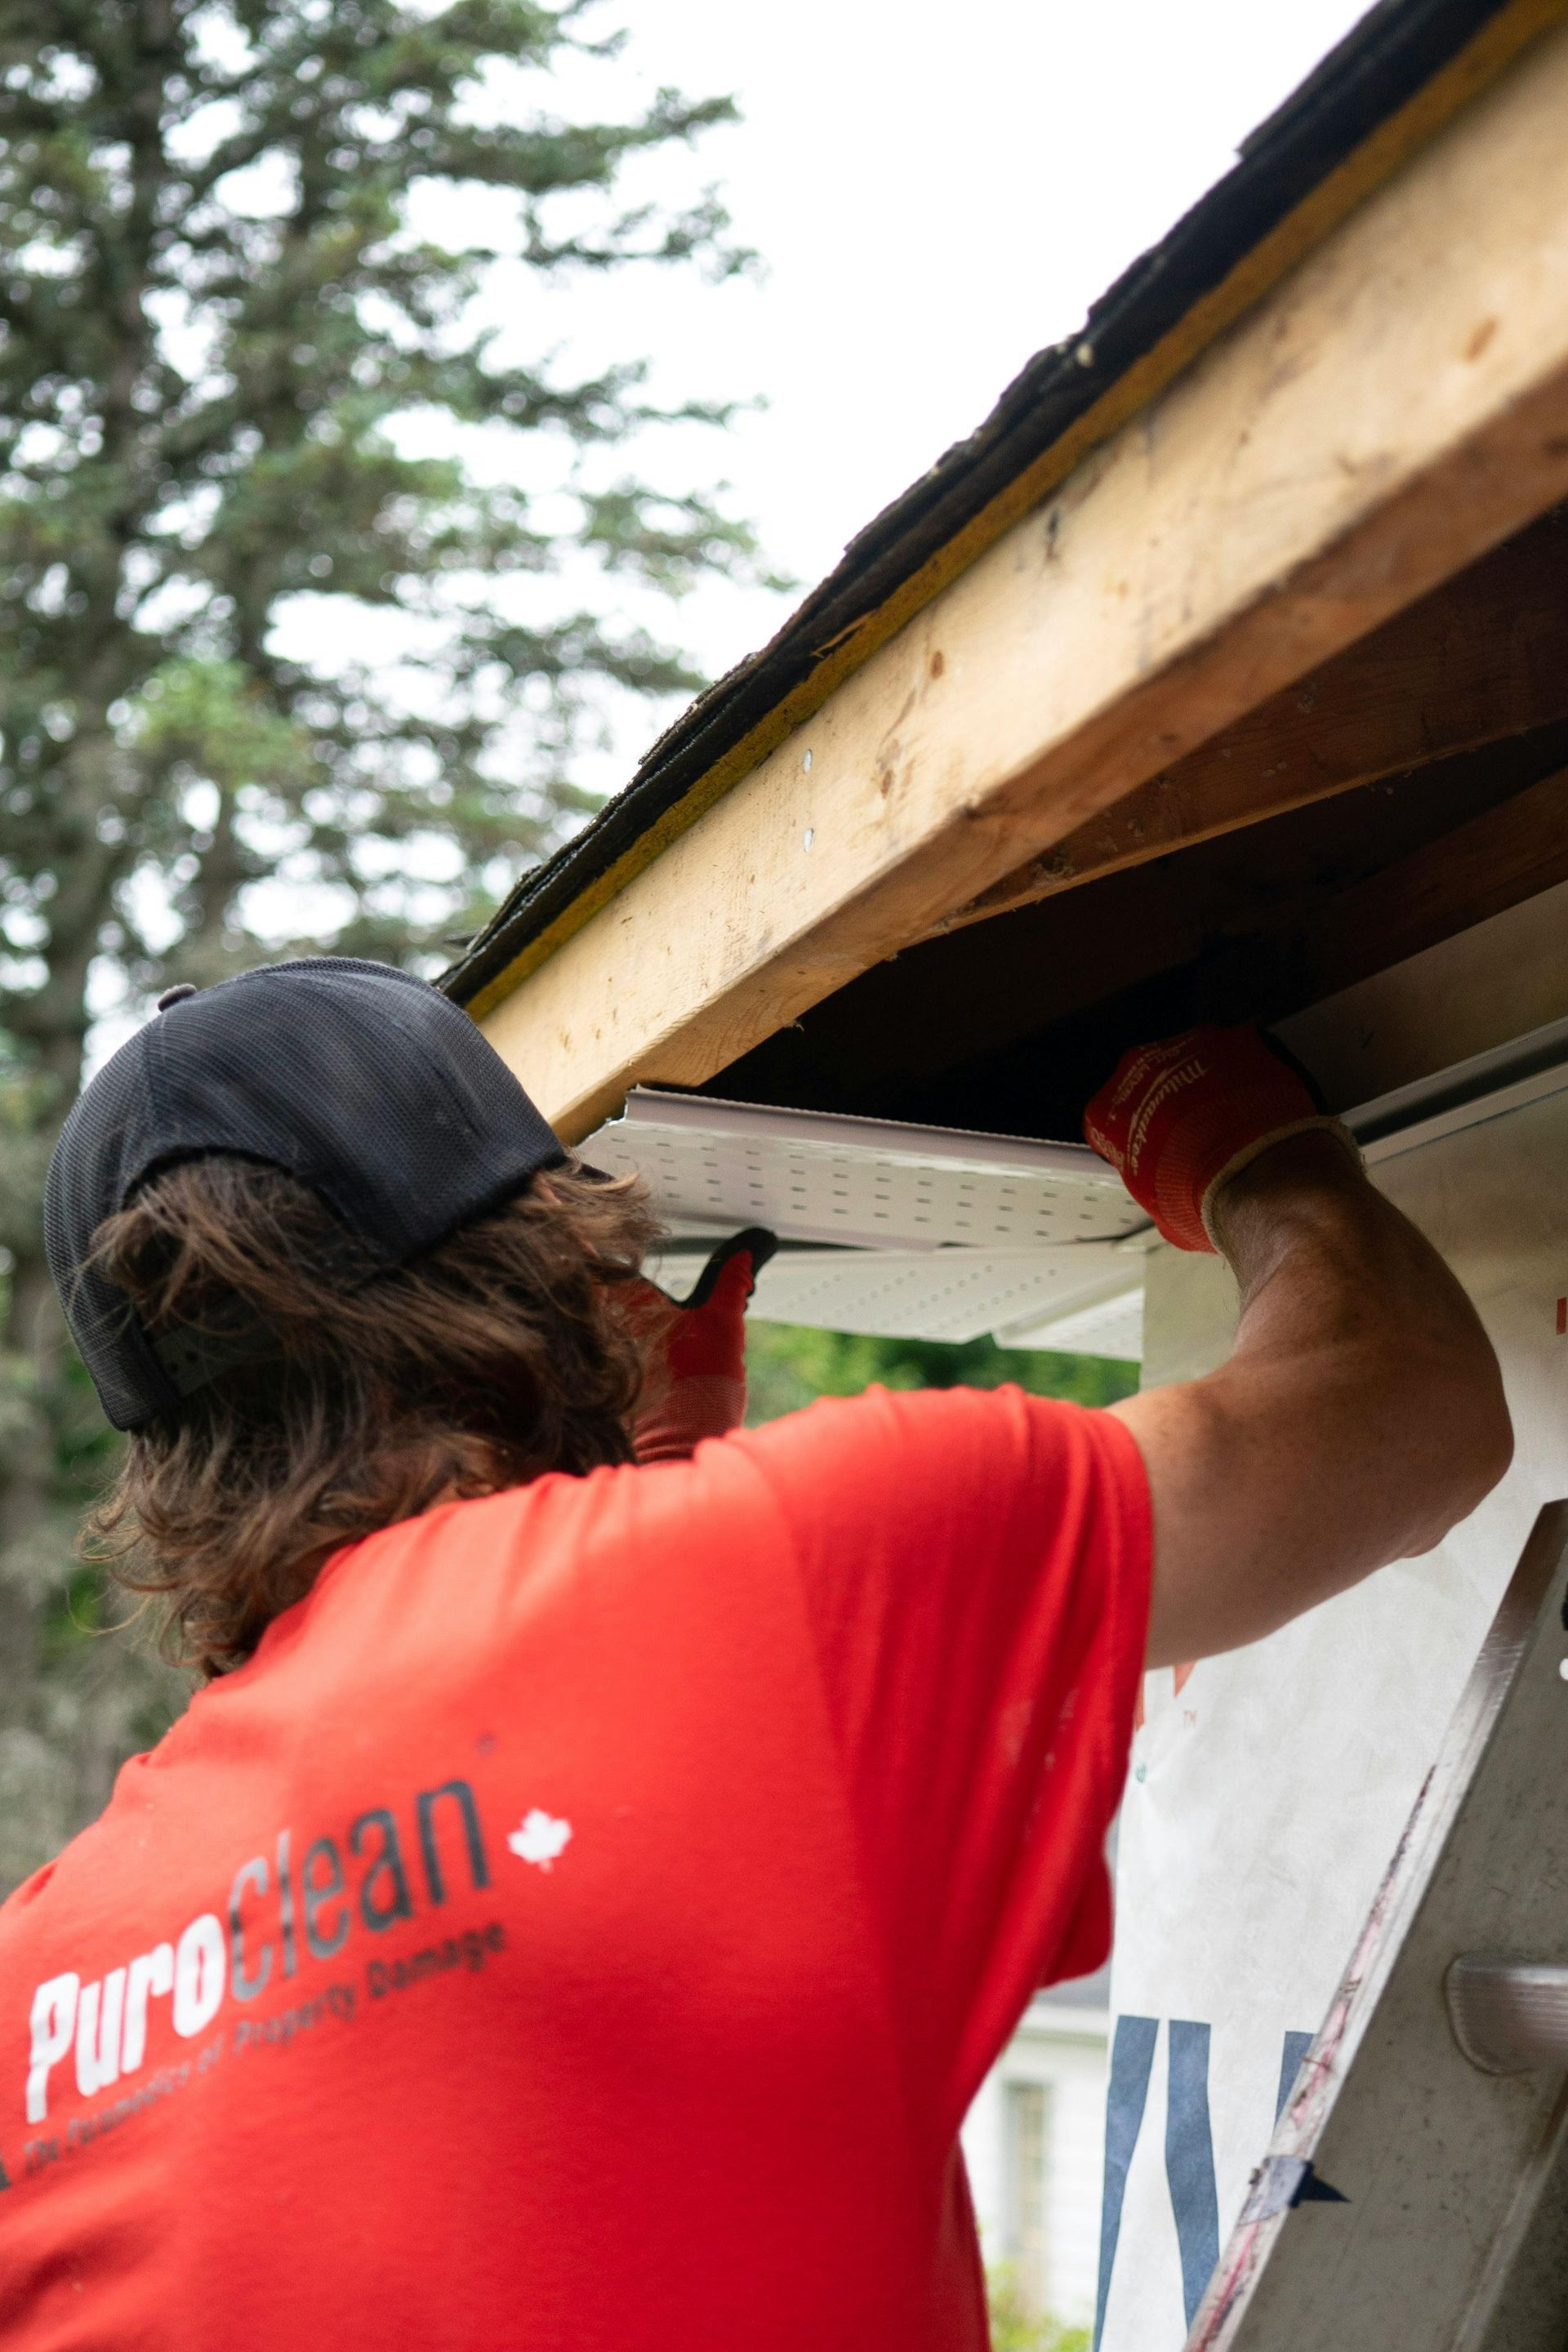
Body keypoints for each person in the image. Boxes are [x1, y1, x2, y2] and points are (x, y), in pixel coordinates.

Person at [0, 961, 1508, 2351]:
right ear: (550, 1271)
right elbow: (1403, 1407)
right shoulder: (775, 1584)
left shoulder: (40, 1971)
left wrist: (644, 1474)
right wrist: (1248, 1148)